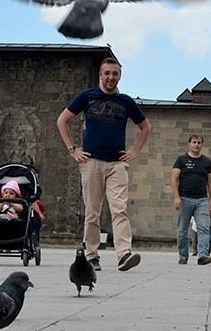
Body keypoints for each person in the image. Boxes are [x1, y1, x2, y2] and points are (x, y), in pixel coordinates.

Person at [56, 57, 150, 273]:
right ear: (100, 74)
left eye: (115, 73)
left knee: (119, 208)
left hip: (117, 163)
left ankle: (124, 253)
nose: (111, 77)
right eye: (107, 73)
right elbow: (62, 121)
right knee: (92, 212)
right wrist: (73, 149)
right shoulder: (87, 97)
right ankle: (91, 255)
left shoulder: (126, 102)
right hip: (91, 162)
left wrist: (134, 151)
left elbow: (145, 127)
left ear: (120, 76)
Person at [172, 134, 211, 266]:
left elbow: (210, 182)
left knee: (204, 228)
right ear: (189, 144)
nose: (196, 145)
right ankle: (183, 256)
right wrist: (176, 197)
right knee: (182, 230)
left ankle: (202, 256)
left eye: (199, 142)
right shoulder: (181, 160)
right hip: (184, 199)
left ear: (202, 145)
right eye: (194, 142)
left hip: (201, 200)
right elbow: (174, 179)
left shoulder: (206, 161)